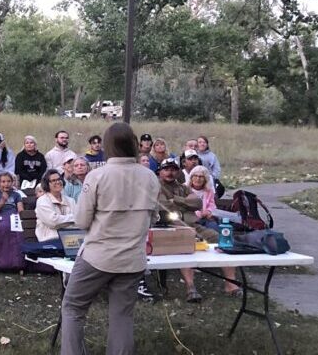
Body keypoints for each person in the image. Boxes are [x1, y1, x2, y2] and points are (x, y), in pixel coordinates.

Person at [61, 122, 159, 355]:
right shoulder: (150, 177)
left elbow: (82, 222)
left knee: (73, 307)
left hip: (98, 256)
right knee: (122, 316)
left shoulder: (97, 176)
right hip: (133, 258)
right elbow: (153, 218)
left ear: (107, 146)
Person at [156, 158, 240, 302]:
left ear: (177, 171)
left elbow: (197, 203)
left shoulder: (182, 187)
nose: (170, 172)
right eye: (166, 169)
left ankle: (231, 284)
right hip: (173, 228)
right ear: (160, 171)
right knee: (186, 246)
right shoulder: (157, 186)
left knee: (223, 240)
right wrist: (185, 203)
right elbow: (165, 206)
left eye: (173, 169)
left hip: (195, 225)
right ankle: (191, 288)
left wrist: (176, 200)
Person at [34, 170, 75, 242]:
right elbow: (53, 222)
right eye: (53, 180)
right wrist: (73, 218)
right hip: (50, 240)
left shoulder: (71, 201)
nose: (58, 182)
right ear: (47, 184)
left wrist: (61, 220)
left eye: (59, 179)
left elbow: (78, 221)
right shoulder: (42, 201)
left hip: (71, 240)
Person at [185, 165, 220, 230]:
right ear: (191, 177)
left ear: (205, 179)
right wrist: (198, 213)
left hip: (206, 218)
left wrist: (208, 211)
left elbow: (212, 205)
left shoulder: (209, 191)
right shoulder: (184, 189)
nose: (198, 179)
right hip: (190, 219)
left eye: (201, 177)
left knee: (214, 227)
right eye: (195, 176)